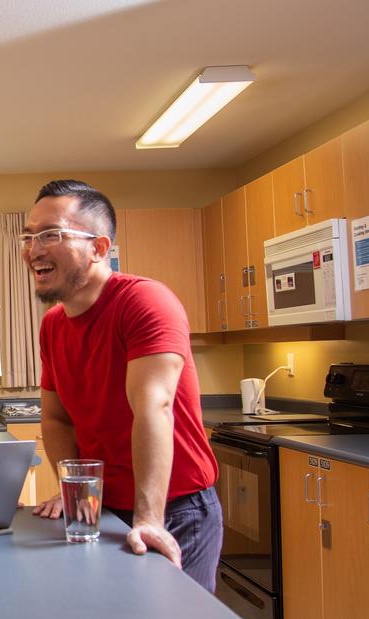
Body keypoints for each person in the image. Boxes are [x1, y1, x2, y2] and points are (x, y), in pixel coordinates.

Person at [24, 179, 222, 591]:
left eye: (50, 235)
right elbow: (57, 418)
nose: (33, 249)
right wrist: (70, 492)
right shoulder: (52, 326)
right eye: (29, 236)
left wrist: (149, 519)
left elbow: (153, 407)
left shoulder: (144, 301)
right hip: (101, 509)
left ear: (99, 247)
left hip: (174, 508)